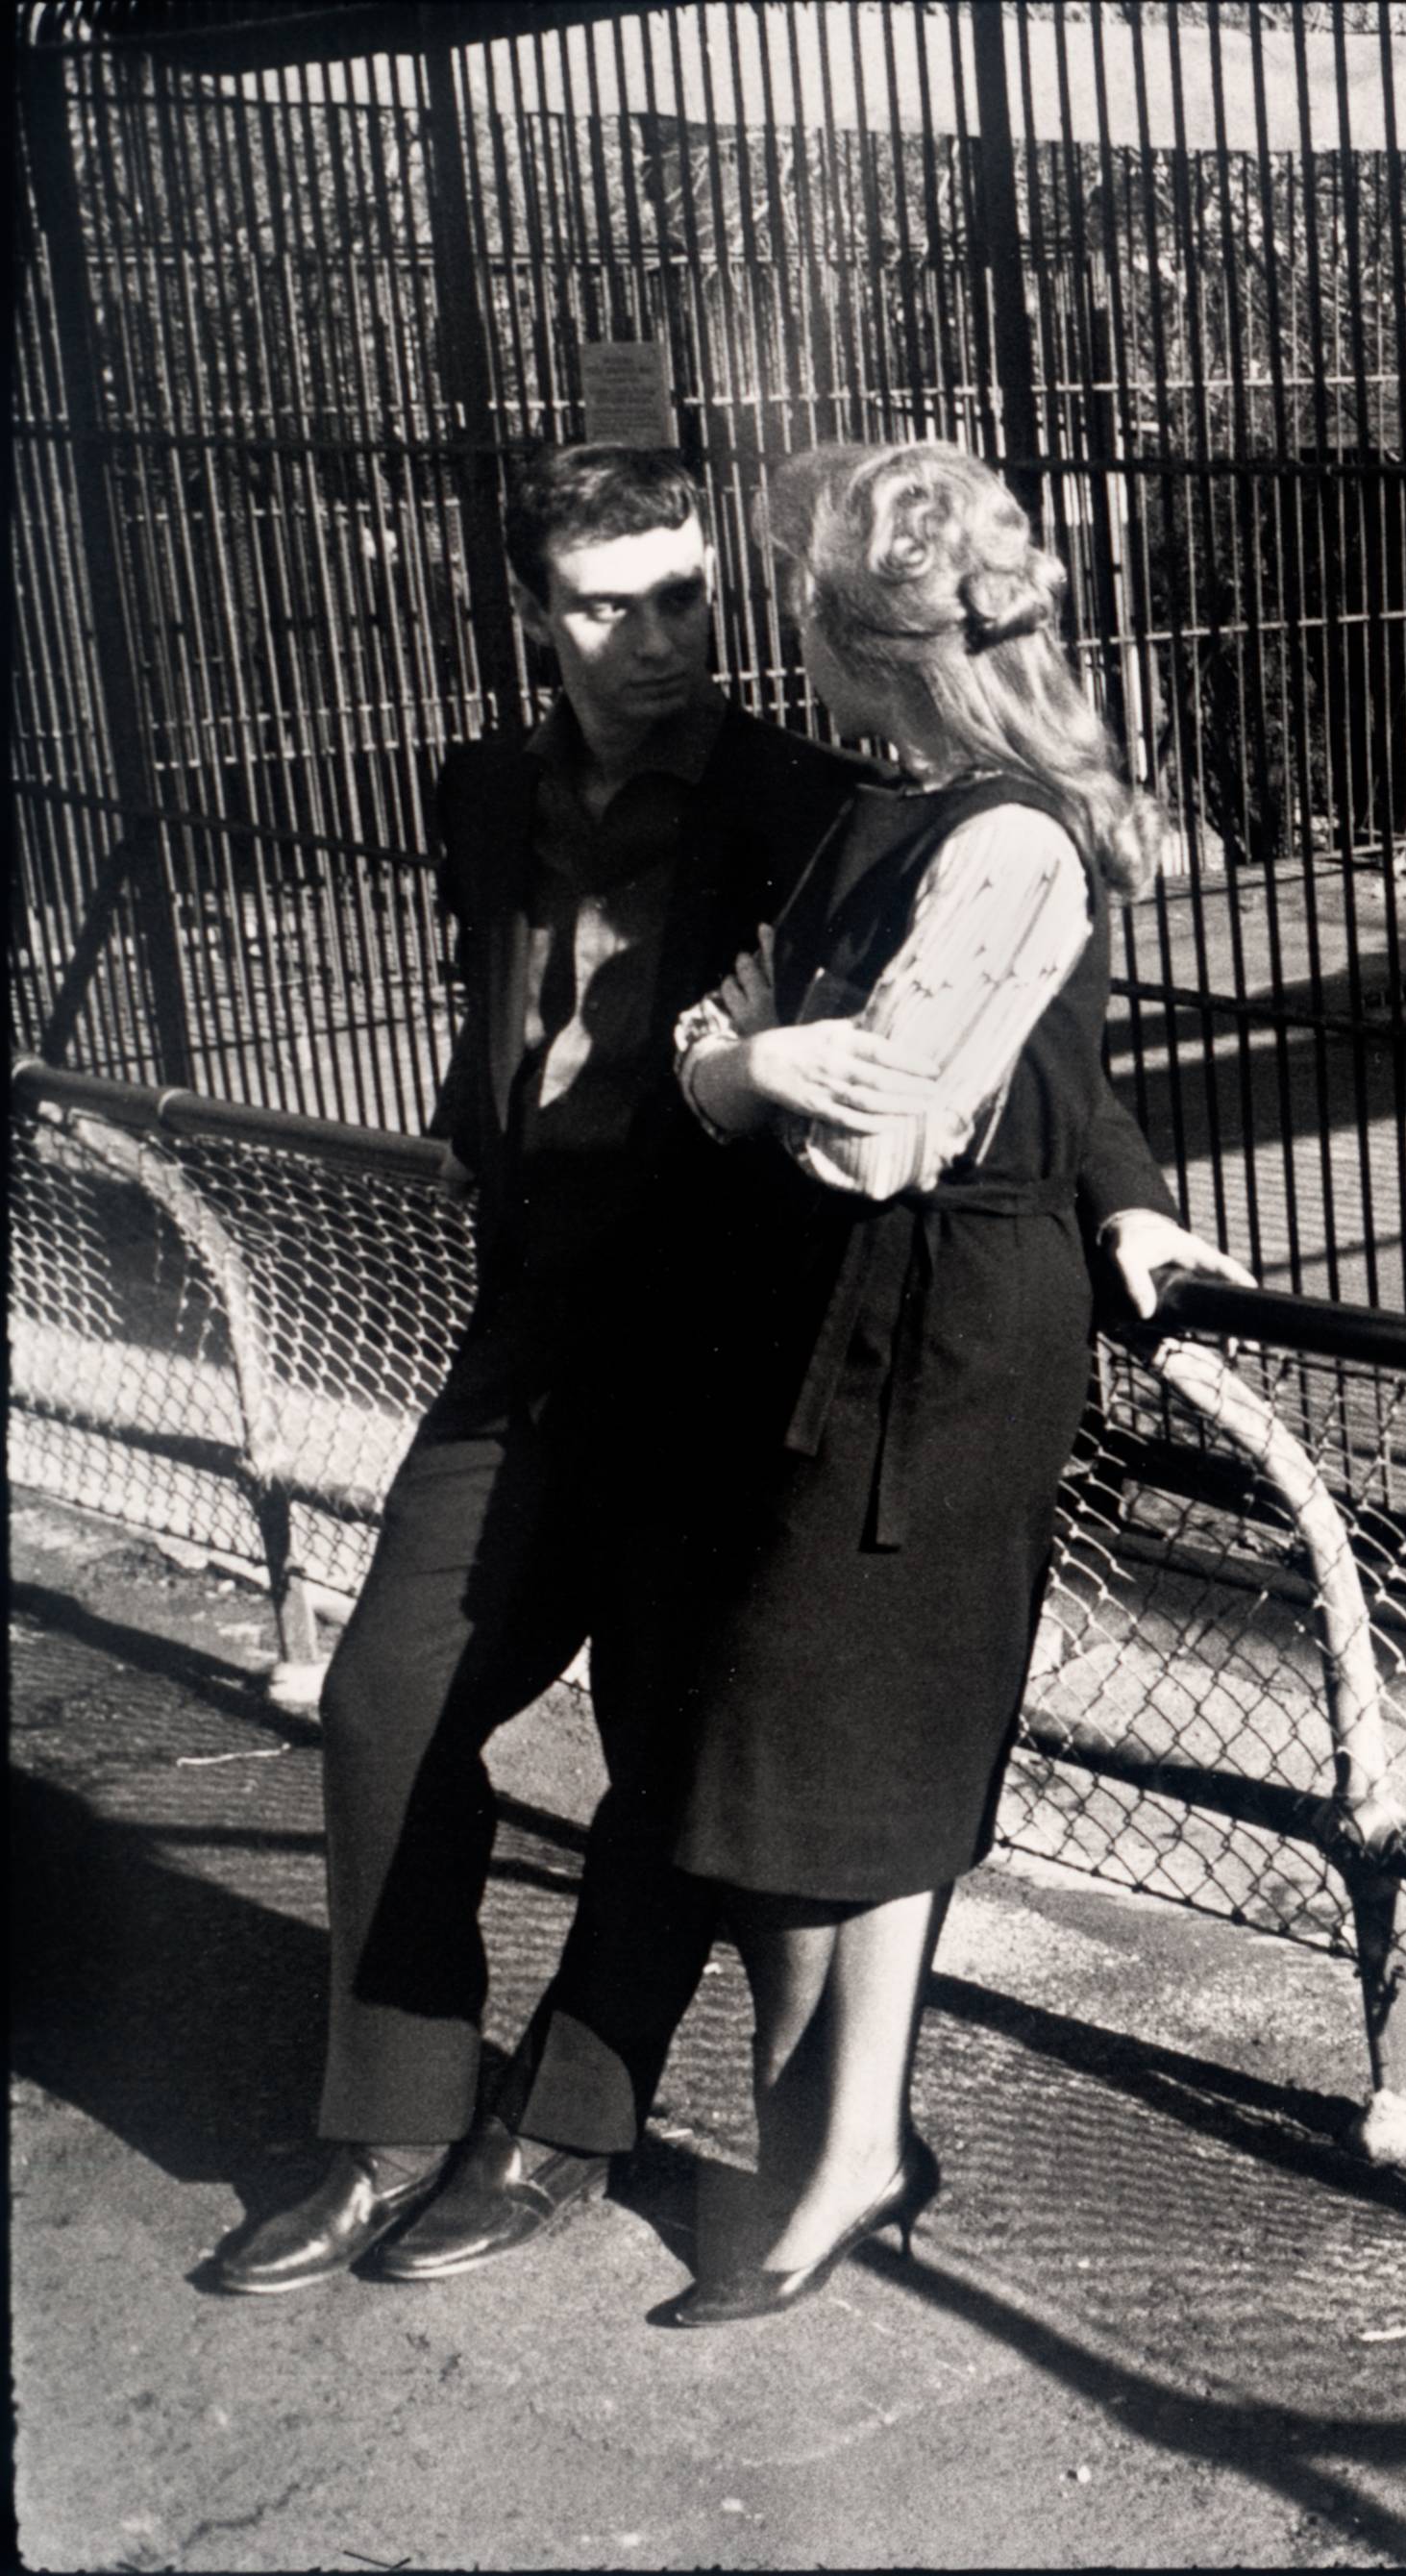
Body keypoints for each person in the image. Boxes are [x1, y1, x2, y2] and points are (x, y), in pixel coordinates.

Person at [207, 445, 1239, 2297]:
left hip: (734, 1328)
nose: (657, 638)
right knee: (389, 1696)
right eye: (607, 604)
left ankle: (559, 2128)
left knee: (677, 1747)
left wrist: (1125, 1202)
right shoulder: (481, 793)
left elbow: (1032, 1015)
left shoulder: (808, 791)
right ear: (534, 617)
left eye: (685, 593)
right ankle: (389, 2121)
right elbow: (531, 1027)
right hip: (533, 1322)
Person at [643, 438, 1205, 2324]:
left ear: (851, 626)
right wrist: (1128, 1195)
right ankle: (844, 2141)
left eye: (794, 590)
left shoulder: (1004, 835)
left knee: (830, 1754)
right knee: (824, 1760)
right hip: (855, 1315)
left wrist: (732, 1067)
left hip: (938, 1340)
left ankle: (841, 2147)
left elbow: (865, 1132)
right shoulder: (879, 800)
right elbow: (1043, 1068)